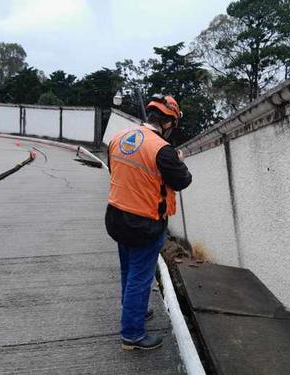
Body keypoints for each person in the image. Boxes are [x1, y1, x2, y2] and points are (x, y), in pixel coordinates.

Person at [106, 94, 192, 351]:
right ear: (169, 123)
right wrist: (178, 161)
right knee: (140, 278)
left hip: (116, 216)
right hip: (144, 224)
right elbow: (182, 181)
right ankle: (132, 334)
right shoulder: (162, 150)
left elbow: (118, 171)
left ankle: (135, 310)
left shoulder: (118, 138)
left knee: (128, 270)